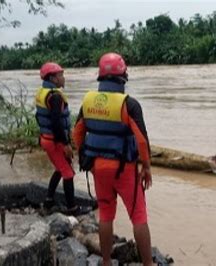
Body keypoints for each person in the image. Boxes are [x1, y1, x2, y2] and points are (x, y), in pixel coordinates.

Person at [73, 53, 153, 266]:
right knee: (138, 216)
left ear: (101, 78)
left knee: (106, 215)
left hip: (99, 168)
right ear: (123, 77)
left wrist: (86, 158)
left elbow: (77, 134)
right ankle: (148, 264)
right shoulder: (130, 104)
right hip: (124, 169)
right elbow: (142, 141)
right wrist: (146, 167)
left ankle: (106, 261)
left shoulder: (88, 102)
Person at [35, 62, 85, 215]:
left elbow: (40, 117)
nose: (63, 78)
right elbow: (56, 123)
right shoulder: (55, 97)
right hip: (54, 141)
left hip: (47, 138)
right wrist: (65, 144)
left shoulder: (44, 92)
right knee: (68, 173)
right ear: (53, 78)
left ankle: (49, 201)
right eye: (61, 75)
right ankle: (72, 208)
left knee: (60, 168)